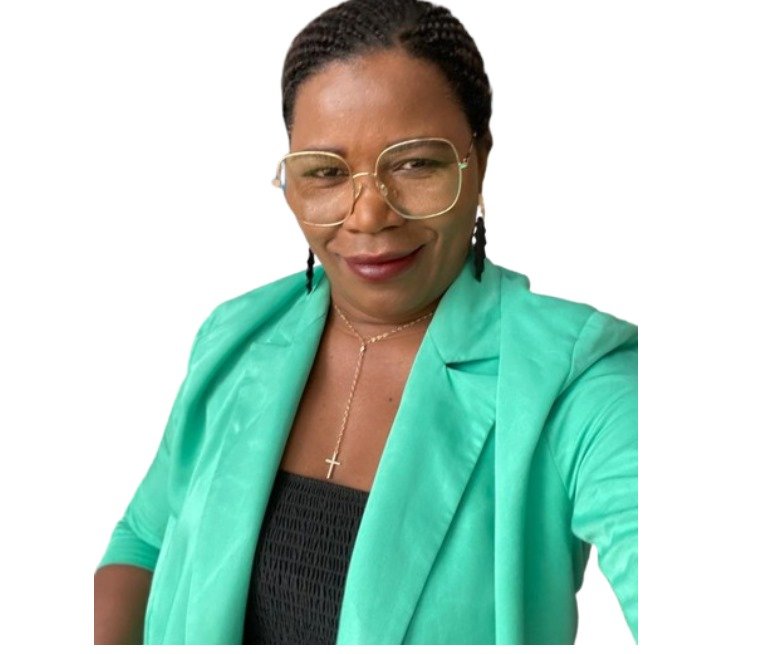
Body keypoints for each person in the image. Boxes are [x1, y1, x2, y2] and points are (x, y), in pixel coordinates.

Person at [94, 0, 638, 645]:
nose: (369, 214)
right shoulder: (235, 337)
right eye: (326, 172)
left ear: (480, 159)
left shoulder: (576, 382)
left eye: (415, 163)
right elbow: (144, 539)